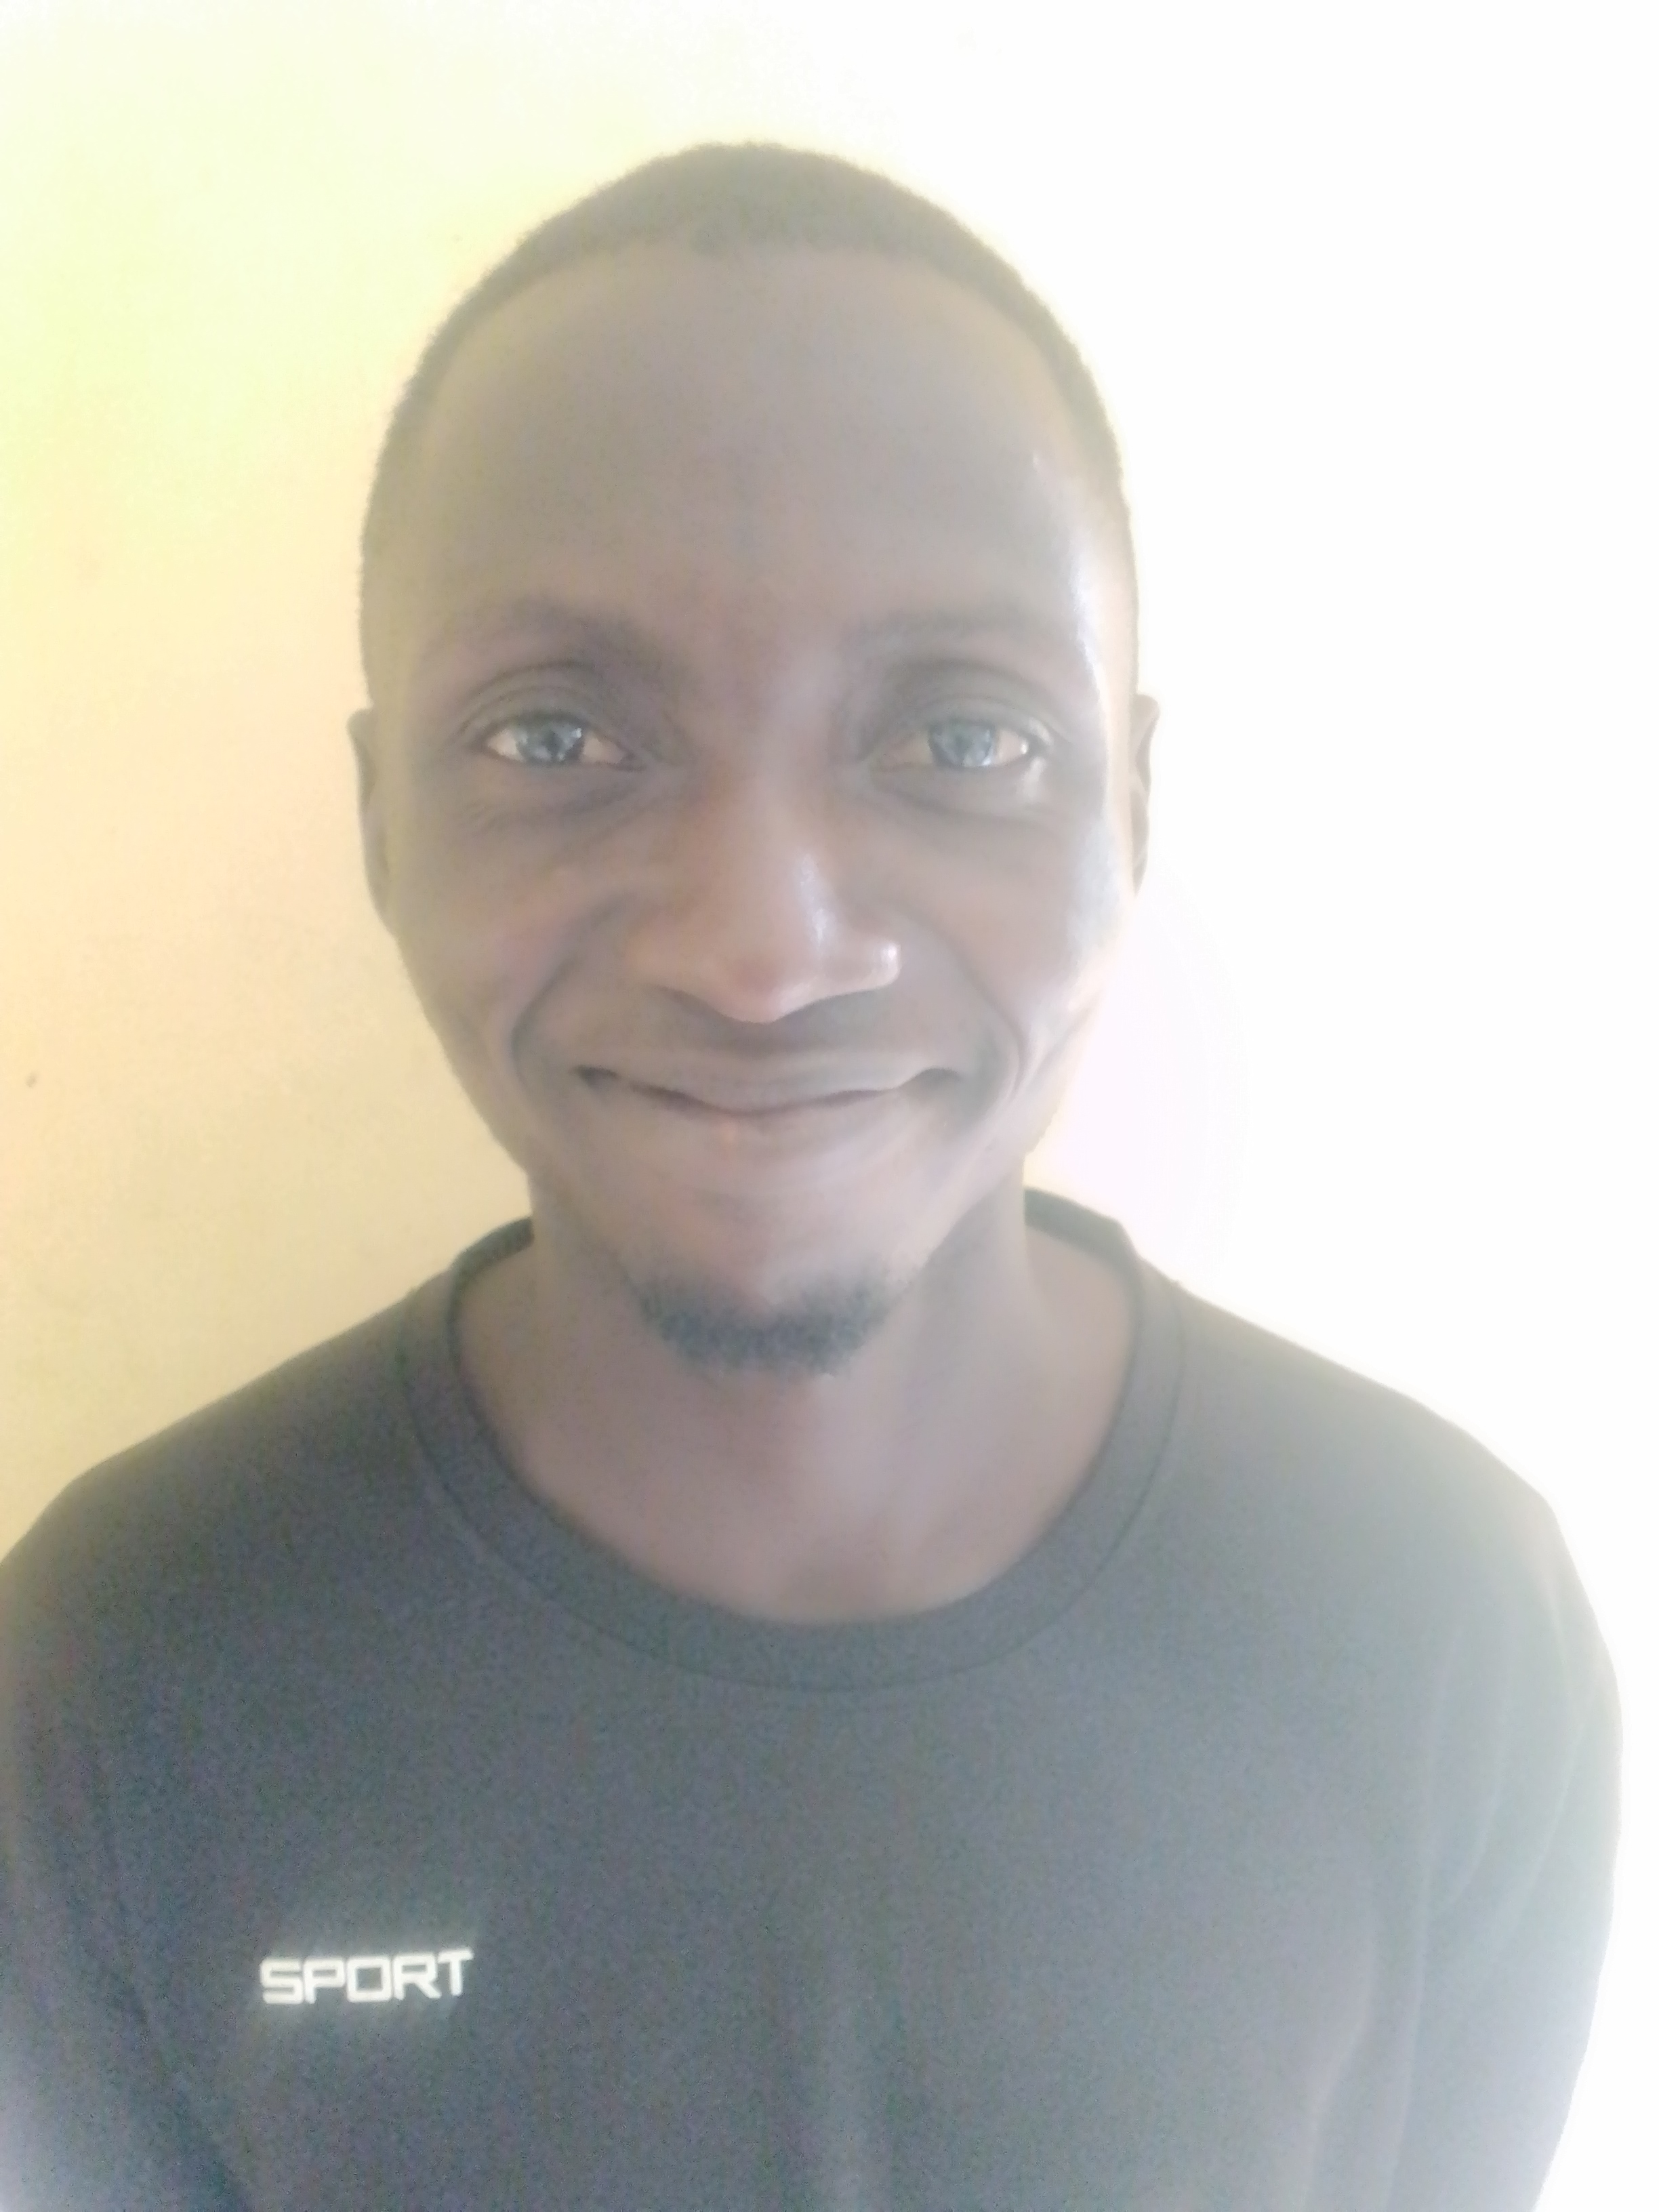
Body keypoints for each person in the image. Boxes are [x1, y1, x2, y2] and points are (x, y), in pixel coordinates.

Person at [0, 144, 1618, 2211]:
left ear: (1132, 805)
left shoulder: (1440, 1622)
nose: (762, 954)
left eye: (963, 740)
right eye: (556, 740)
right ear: (381, 824)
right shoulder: (122, 1674)